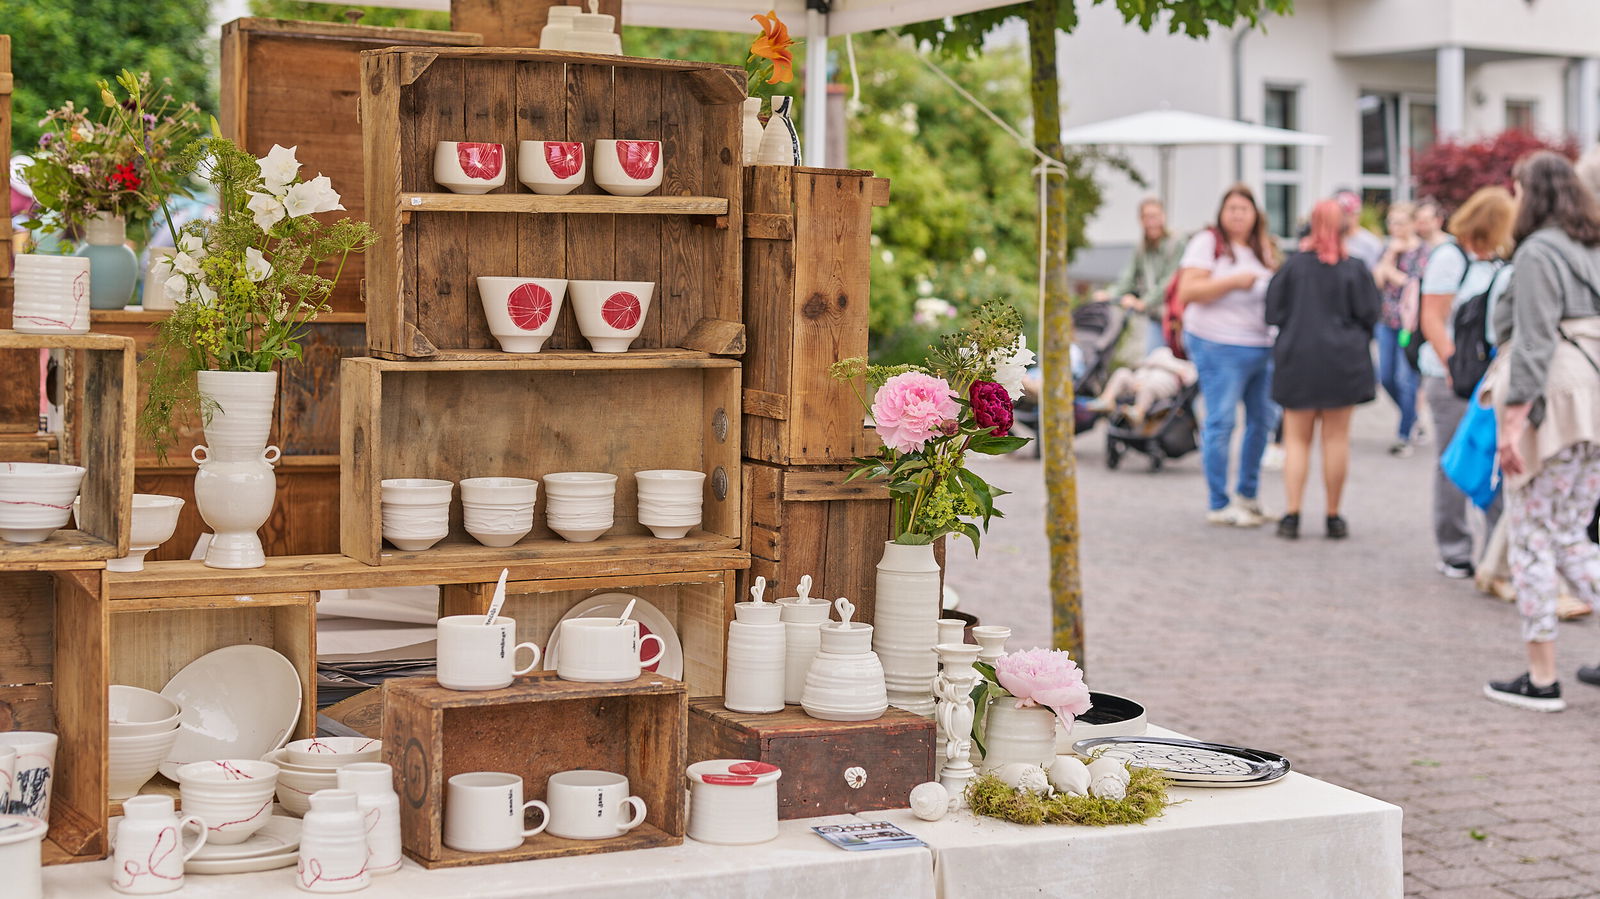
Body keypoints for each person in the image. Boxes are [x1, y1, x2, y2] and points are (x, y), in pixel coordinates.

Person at [1482, 151, 1600, 711]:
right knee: (1573, 534)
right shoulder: (1590, 245)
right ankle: (1544, 672)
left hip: (1550, 405)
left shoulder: (1538, 253)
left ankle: (1542, 676)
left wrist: (1511, 424)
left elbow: (1532, 342)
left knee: (1532, 538)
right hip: (1593, 402)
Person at [1265, 200, 1381, 540]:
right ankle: (1333, 516)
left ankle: (1292, 514)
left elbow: (1272, 312)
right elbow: (1370, 313)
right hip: (1342, 363)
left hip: (1298, 359)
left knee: (1297, 440)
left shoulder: (1293, 267)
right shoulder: (1355, 268)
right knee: (1336, 438)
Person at [1418, 187, 1515, 579]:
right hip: (1450, 380)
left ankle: (1495, 549)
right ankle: (1454, 549)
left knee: (1488, 459)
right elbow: (1432, 319)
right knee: (1453, 462)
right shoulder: (1449, 258)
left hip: (1484, 378)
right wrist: (1455, 369)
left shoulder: (1495, 261)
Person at [1175, 184, 1280, 526]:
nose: (1237, 215)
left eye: (1244, 209)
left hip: (1261, 345)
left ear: (1256, 215)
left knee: (1262, 421)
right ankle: (1219, 502)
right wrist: (1234, 282)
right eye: (1231, 208)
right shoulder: (1207, 244)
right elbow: (1189, 290)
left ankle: (1248, 496)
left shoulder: (1263, 247)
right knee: (1221, 421)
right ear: (1221, 213)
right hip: (1217, 343)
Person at [1096, 198, 1185, 356]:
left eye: (1155, 216)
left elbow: (1170, 282)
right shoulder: (1141, 249)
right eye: (1147, 217)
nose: (1151, 222)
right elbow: (1127, 277)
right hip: (1155, 319)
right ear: (1141, 220)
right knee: (1151, 362)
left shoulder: (1177, 243)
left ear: (1163, 217)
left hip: (1177, 320)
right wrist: (1110, 294)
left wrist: (1143, 303)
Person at [1371, 202, 1425, 456]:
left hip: (1410, 325)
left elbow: (1412, 284)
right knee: (1386, 377)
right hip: (1386, 321)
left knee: (1406, 379)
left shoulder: (1423, 252)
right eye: (1392, 222)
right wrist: (1390, 256)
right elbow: (1378, 280)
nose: (1396, 228)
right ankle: (1412, 416)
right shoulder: (1387, 248)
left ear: (1412, 224)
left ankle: (1404, 434)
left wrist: (1389, 270)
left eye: (1401, 222)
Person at [1083, 345, 1197, 428]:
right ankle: (1107, 399)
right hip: (1140, 380)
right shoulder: (1164, 351)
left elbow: (1189, 378)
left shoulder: (1191, 365)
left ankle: (1138, 412)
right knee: (1122, 373)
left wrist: (1169, 366)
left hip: (1157, 388)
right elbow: (1145, 362)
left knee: (1148, 387)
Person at [1336, 189, 1385, 270]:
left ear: (1358, 215)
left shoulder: (1371, 243)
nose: (1345, 219)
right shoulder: (1332, 239)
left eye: (1350, 214)